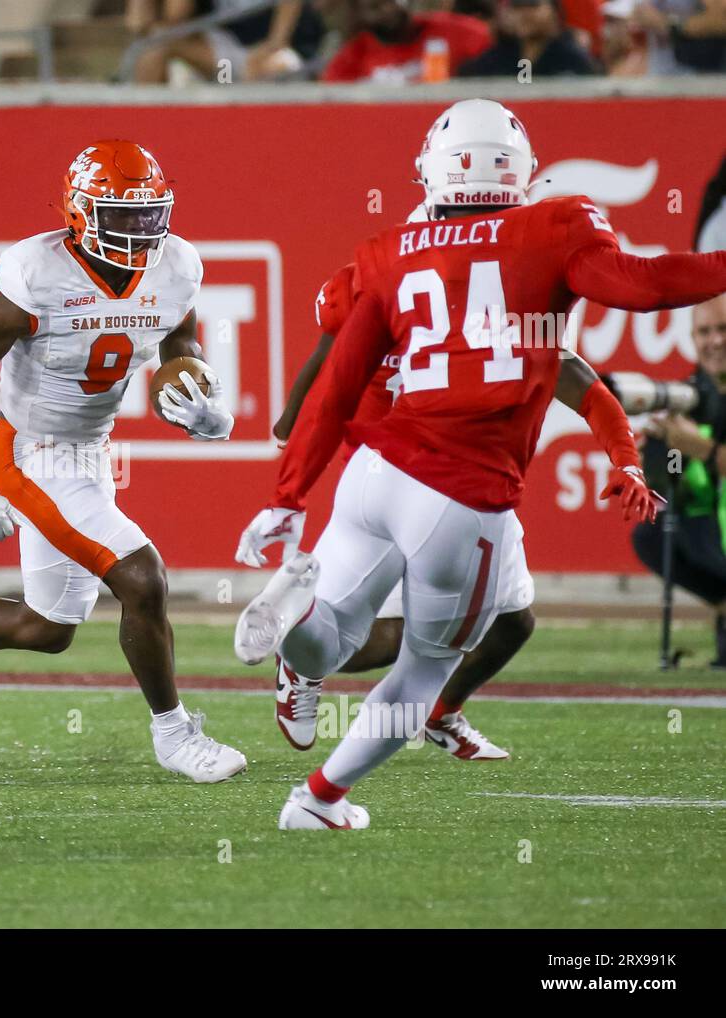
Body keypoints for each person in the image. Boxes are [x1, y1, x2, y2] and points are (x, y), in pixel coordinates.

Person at [233, 99, 726, 830]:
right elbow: (649, 287)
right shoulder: (552, 230)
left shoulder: (387, 251)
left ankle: (300, 625)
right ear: (521, 170)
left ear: (430, 170)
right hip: (460, 496)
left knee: (340, 627)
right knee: (422, 671)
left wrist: (287, 495)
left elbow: (331, 386)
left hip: (374, 476)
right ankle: (317, 800)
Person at [0, 140, 247, 783]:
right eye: (125, 217)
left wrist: (197, 401)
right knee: (142, 579)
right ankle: (175, 736)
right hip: (29, 453)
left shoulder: (177, 265)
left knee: (47, 628)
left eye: (151, 214)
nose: (143, 231)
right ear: (82, 213)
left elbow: (177, 336)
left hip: (91, 452)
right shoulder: (38, 273)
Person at [266, 247, 644, 760]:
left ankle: (440, 713)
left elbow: (581, 383)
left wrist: (628, 460)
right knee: (396, 637)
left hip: (472, 481)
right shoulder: (376, 281)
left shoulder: (502, 298)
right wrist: (293, 423)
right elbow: (330, 357)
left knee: (512, 622)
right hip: (393, 478)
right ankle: (300, 662)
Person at [631, 293, 726, 664]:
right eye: (705, 332)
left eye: (723, 329)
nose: (714, 341)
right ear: (692, 338)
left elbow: (701, 451)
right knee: (655, 530)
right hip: (713, 526)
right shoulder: (690, 394)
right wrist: (664, 458)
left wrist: (697, 445)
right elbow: (675, 482)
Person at [129, 0, 317, 82]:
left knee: (270, 69)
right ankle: (145, 140)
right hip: (227, 55)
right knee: (155, 46)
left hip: (278, 51)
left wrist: (272, 46)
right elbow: (173, 20)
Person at [321, 0, 492, 82]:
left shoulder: (450, 30)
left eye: (391, 2)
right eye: (375, 6)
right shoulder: (353, 54)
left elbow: (495, 51)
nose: (387, 10)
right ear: (360, 14)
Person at [457, 0, 600, 75]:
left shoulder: (573, 58)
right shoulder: (494, 58)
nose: (524, 14)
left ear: (555, 12)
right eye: (517, 7)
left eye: (532, 5)